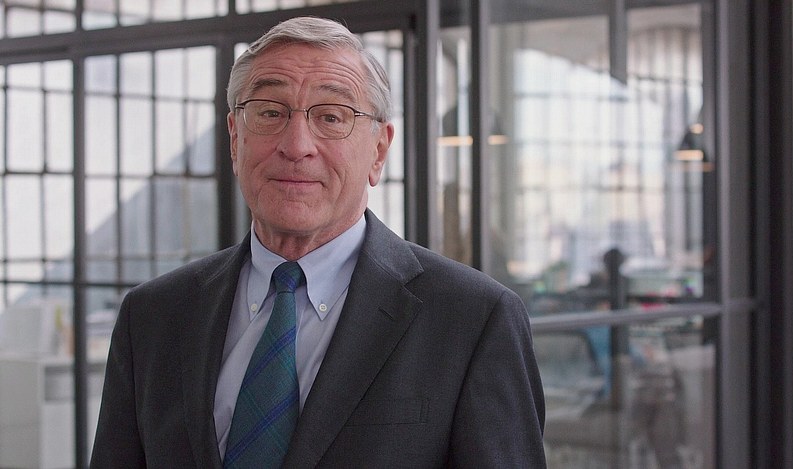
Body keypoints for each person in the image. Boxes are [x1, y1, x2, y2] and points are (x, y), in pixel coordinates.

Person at [90, 16, 546, 468]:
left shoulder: (473, 320)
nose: (296, 145)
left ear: (379, 151)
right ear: (234, 139)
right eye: (270, 113)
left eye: (331, 117)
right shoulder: (152, 316)